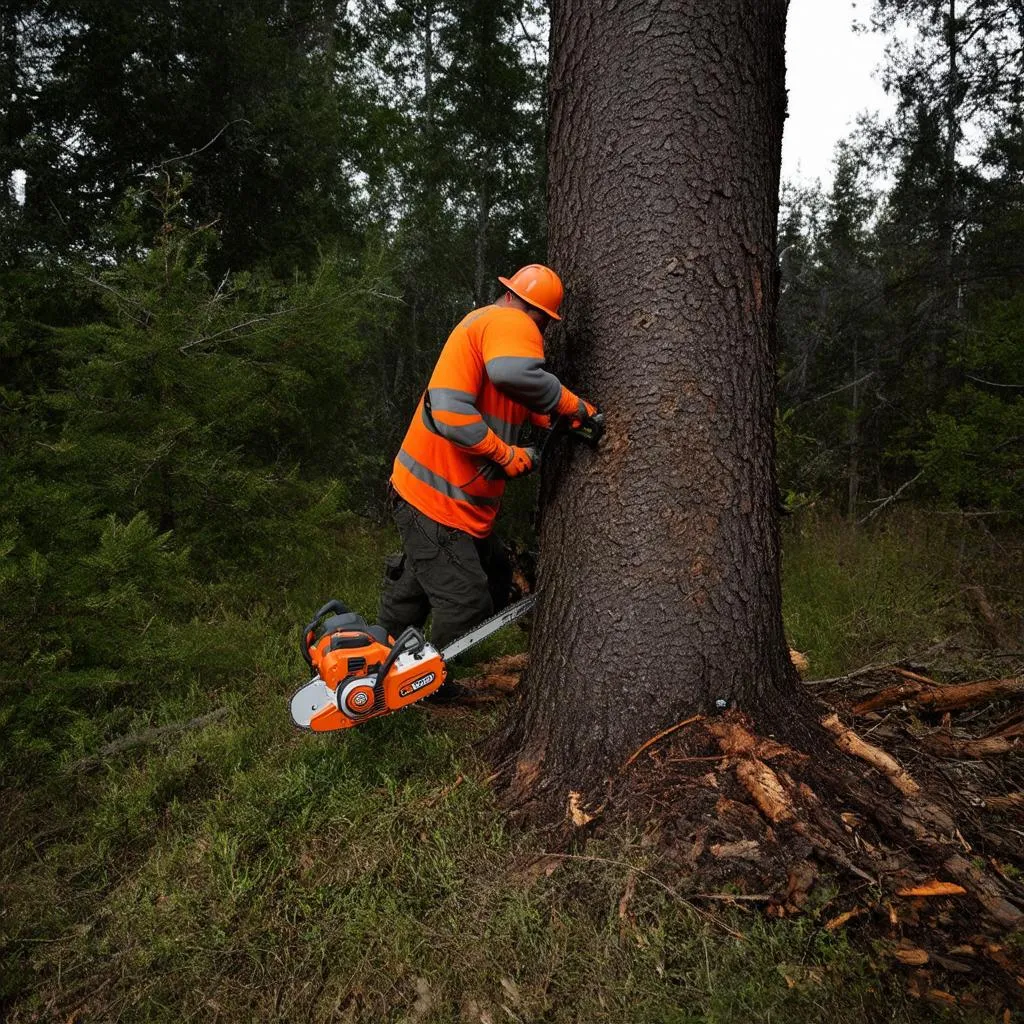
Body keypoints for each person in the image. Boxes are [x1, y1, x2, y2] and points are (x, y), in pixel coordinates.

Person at [377, 263, 598, 700]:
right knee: (467, 605)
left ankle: (378, 654)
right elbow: (462, 407)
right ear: (527, 309)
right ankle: (422, 688)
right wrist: (510, 453)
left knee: (472, 584)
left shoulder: (487, 328)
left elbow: (511, 395)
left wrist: (561, 415)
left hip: (447, 501)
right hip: (435, 499)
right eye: (542, 322)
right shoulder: (506, 321)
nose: (541, 332)